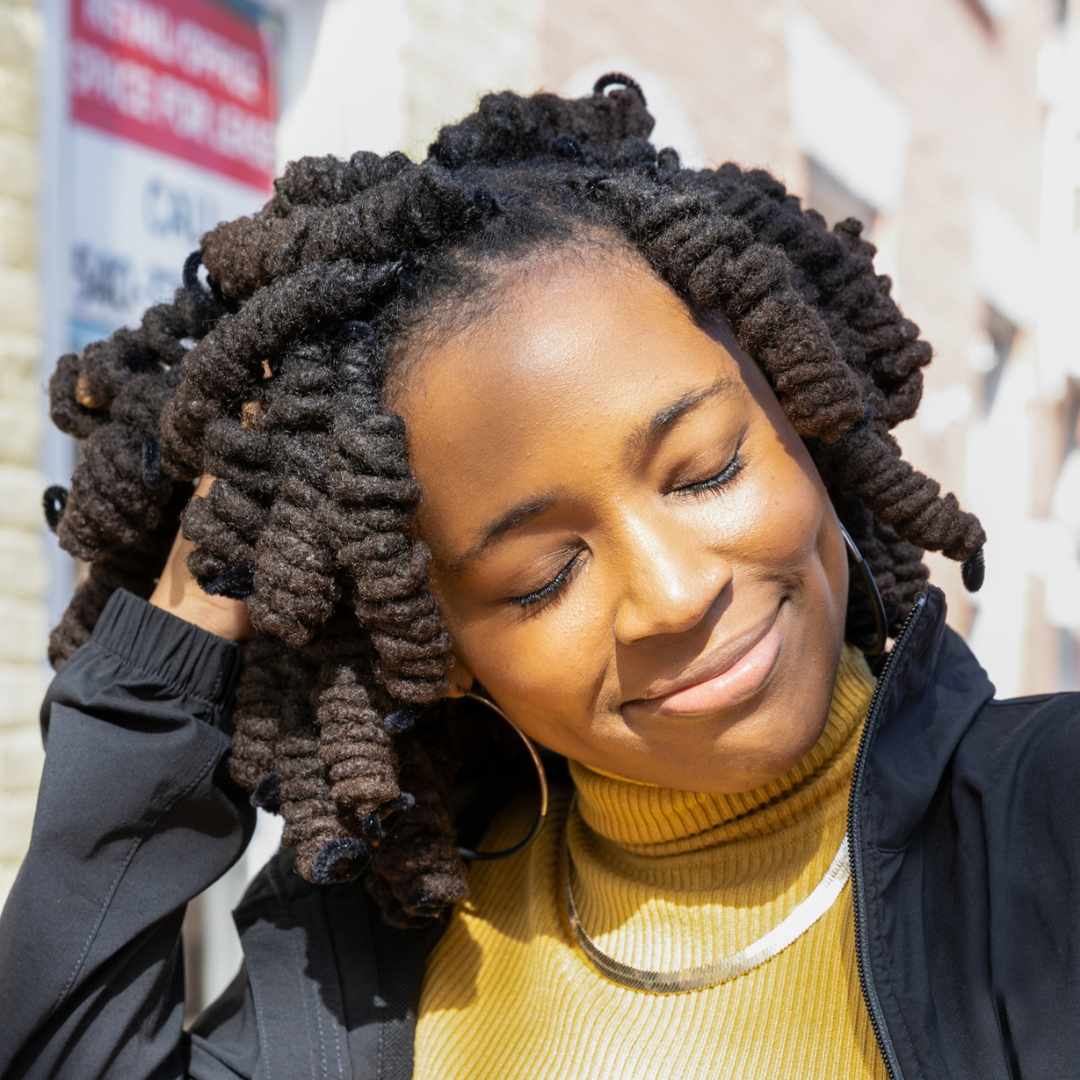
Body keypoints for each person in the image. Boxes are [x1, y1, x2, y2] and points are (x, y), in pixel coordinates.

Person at [0, 72, 1076, 1079]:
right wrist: (156, 685)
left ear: (802, 411)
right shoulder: (381, 946)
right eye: (539, 578)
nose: (674, 593)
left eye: (706, 470)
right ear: (442, 649)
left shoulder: (1047, 827)